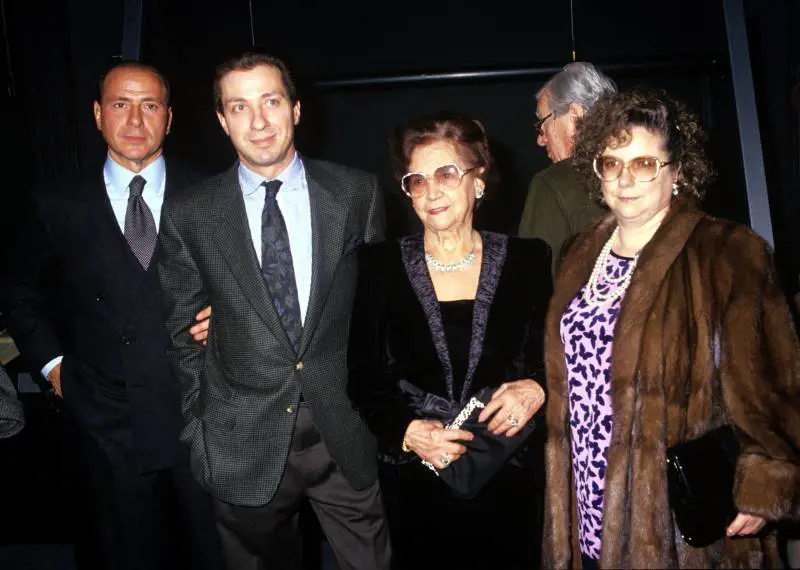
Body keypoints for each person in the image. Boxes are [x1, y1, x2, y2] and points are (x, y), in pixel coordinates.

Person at [542, 87, 800, 569]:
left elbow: (773, 381)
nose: (625, 178)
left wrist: (767, 478)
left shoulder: (727, 252)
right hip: (587, 505)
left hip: (673, 521)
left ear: (677, 171)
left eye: (644, 163)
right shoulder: (578, 254)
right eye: (611, 163)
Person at [156, 52, 391, 570]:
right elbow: (180, 334)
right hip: (241, 439)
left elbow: (378, 315)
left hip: (345, 429)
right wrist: (201, 430)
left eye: (271, 101)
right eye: (240, 107)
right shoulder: (190, 213)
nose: (258, 121)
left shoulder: (356, 193)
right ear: (222, 120)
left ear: (296, 109)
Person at [3, 61, 222, 570]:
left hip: (201, 414)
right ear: (99, 115)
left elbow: (259, 284)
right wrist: (55, 368)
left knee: (212, 554)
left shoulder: (214, 192)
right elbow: (19, 290)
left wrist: (233, 315)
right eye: (121, 104)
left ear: (169, 118)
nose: (135, 120)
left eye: (150, 105)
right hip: (105, 422)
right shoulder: (56, 202)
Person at [346, 111, 551, 569]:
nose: (431, 191)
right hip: (417, 474)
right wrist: (407, 432)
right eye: (417, 181)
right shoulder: (379, 266)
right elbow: (362, 376)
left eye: (446, 174)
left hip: (507, 469)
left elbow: (554, 357)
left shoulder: (528, 260)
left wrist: (537, 388)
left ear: (478, 181)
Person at [518, 62, 615, 270]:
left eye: (542, 124)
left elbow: (532, 278)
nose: (540, 140)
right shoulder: (650, 174)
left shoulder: (552, 184)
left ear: (574, 115)